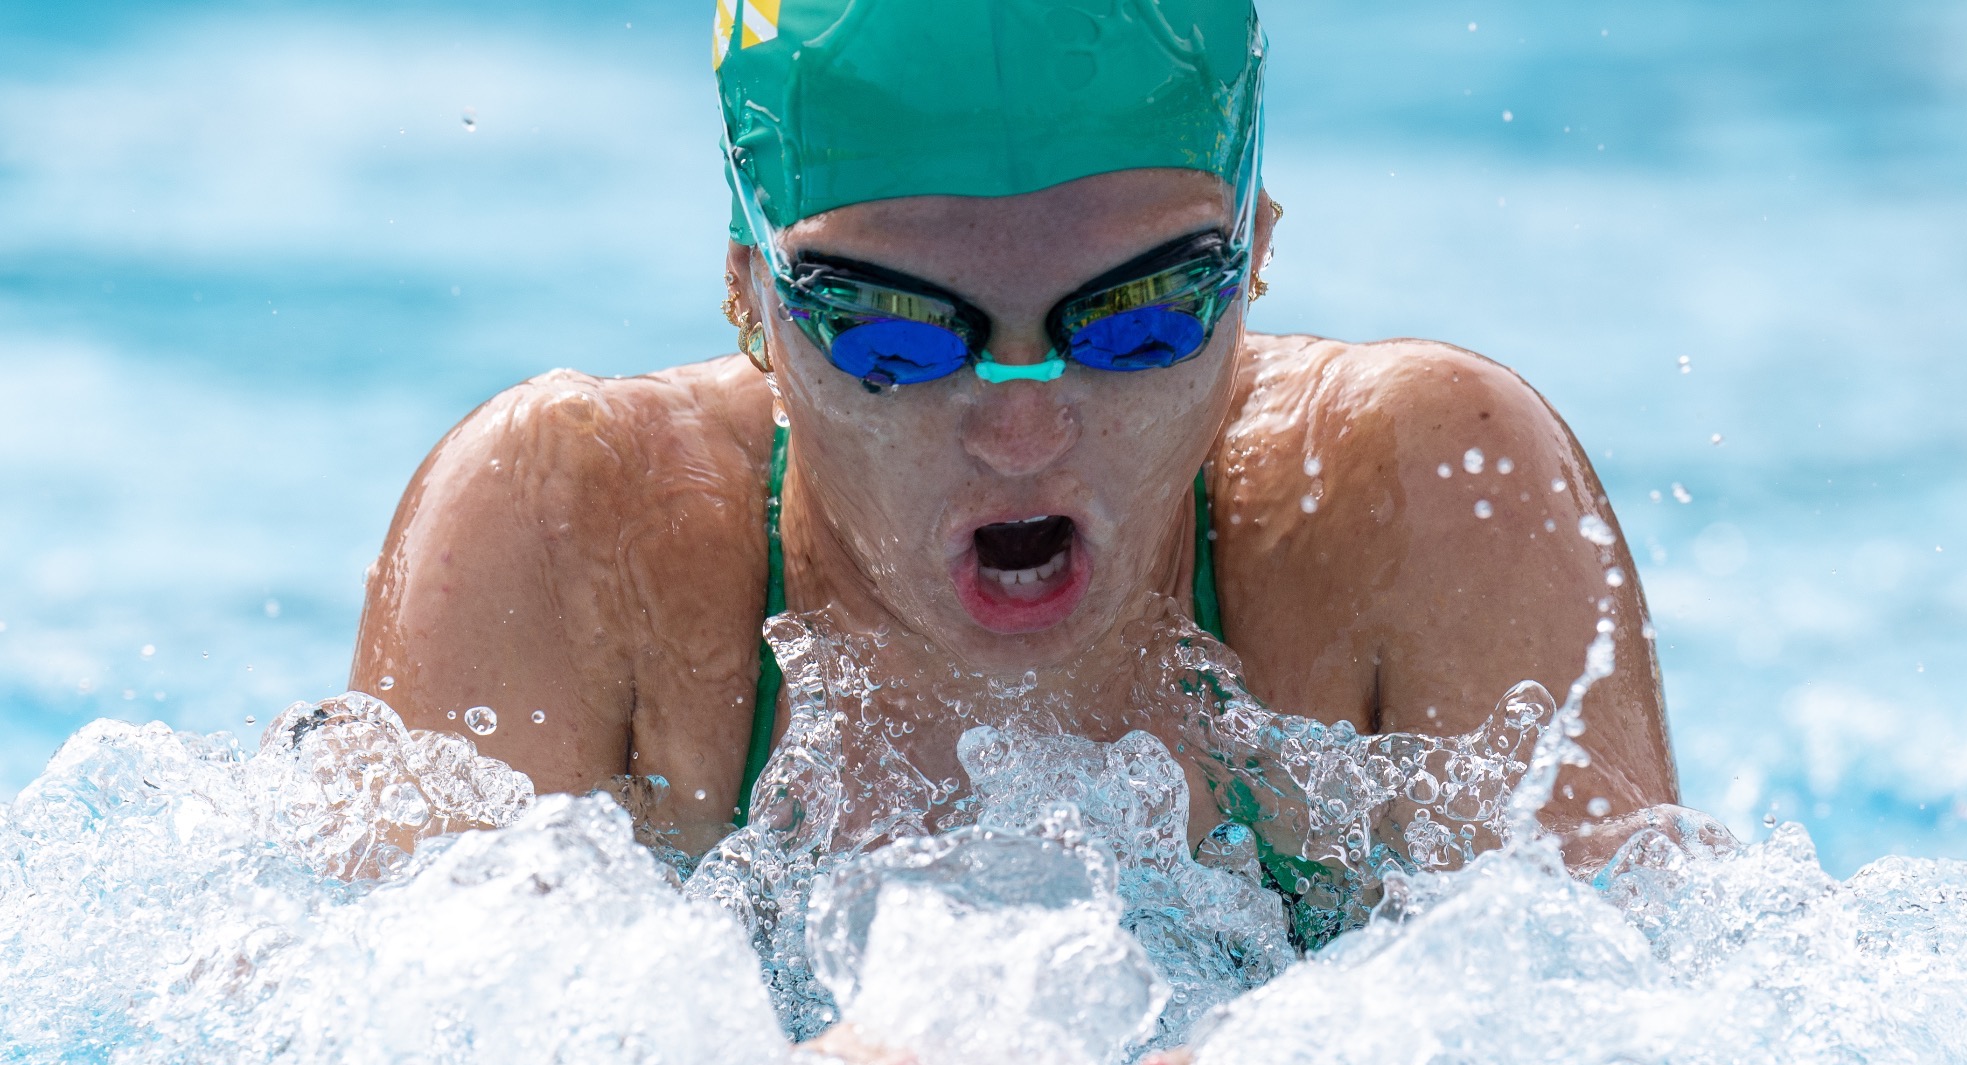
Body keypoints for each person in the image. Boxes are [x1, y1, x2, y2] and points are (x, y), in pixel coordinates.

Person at [350, 0, 1675, 870]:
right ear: (749, 292)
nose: (1023, 429)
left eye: (1140, 318)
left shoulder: (1424, 488)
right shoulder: (568, 527)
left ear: (1257, 252)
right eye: (895, 334)